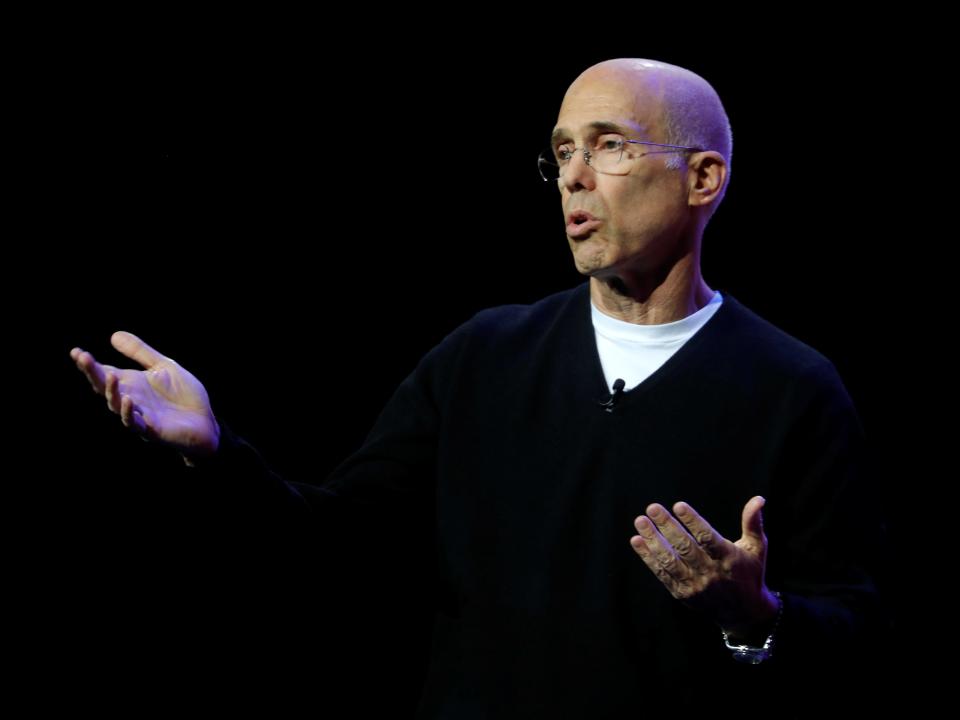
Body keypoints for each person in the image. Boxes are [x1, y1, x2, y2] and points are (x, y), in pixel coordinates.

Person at [70, 58, 885, 717]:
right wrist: (217, 455)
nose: (573, 176)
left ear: (702, 179)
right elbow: (338, 548)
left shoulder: (792, 388)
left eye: (608, 145)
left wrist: (756, 618)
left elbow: (853, 628)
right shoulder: (485, 358)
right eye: (561, 150)